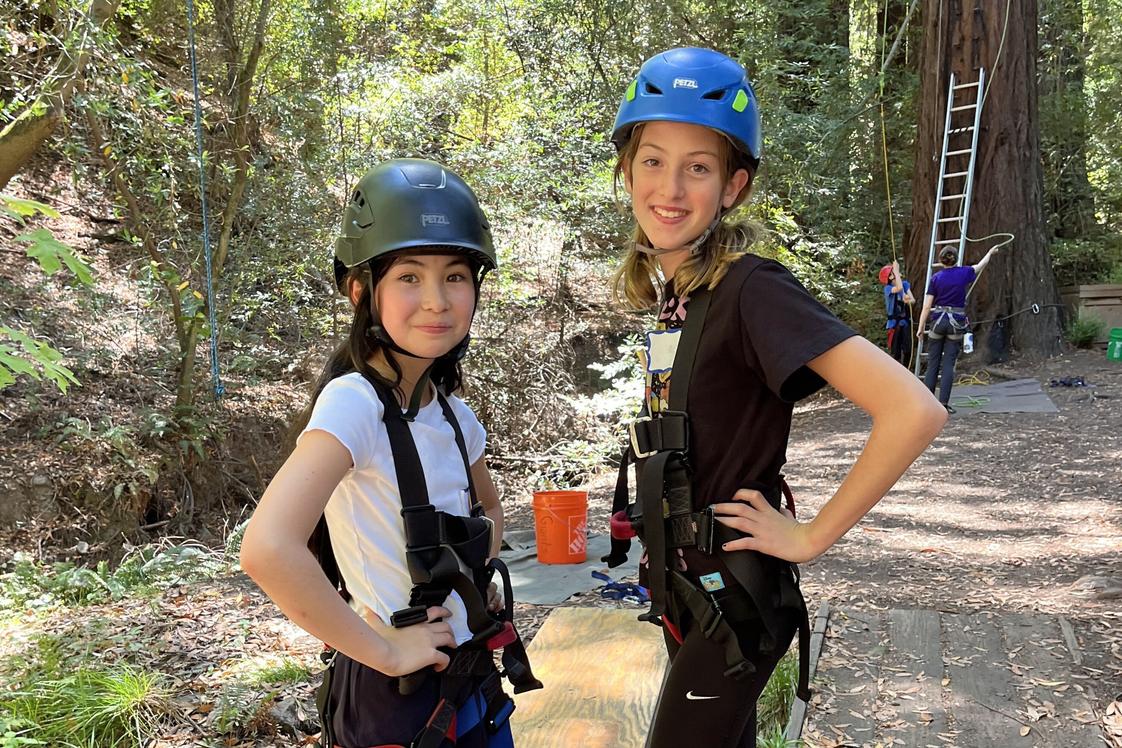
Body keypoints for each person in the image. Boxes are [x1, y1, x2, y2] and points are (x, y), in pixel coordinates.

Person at [601, 47, 948, 748]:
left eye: (697, 166)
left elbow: (914, 408)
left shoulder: (752, 290)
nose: (669, 186)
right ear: (627, 170)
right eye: (653, 160)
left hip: (736, 595)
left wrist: (812, 536)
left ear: (733, 186)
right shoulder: (682, 296)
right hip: (692, 590)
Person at [240, 158, 539, 748]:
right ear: (361, 291)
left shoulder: (454, 414)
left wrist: (466, 597)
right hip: (397, 704)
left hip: (467, 683)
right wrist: (381, 646)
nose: (436, 300)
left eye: (455, 276)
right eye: (408, 277)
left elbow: (491, 514)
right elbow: (268, 550)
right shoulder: (355, 403)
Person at [915, 245, 999, 413]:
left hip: (938, 322)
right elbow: (981, 265)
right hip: (956, 323)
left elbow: (926, 306)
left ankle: (928, 403)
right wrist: (989, 252)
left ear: (941, 260)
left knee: (933, 363)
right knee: (948, 364)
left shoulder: (936, 278)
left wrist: (920, 326)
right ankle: (943, 404)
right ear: (955, 259)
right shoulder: (963, 273)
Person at [880, 260, 915, 365]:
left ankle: (906, 369)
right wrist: (895, 269)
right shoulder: (888, 289)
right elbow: (898, 288)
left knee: (908, 350)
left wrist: (908, 300)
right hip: (894, 325)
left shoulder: (904, 284)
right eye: (894, 272)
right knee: (896, 353)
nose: (898, 272)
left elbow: (913, 300)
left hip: (904, 323)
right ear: (891, 277)